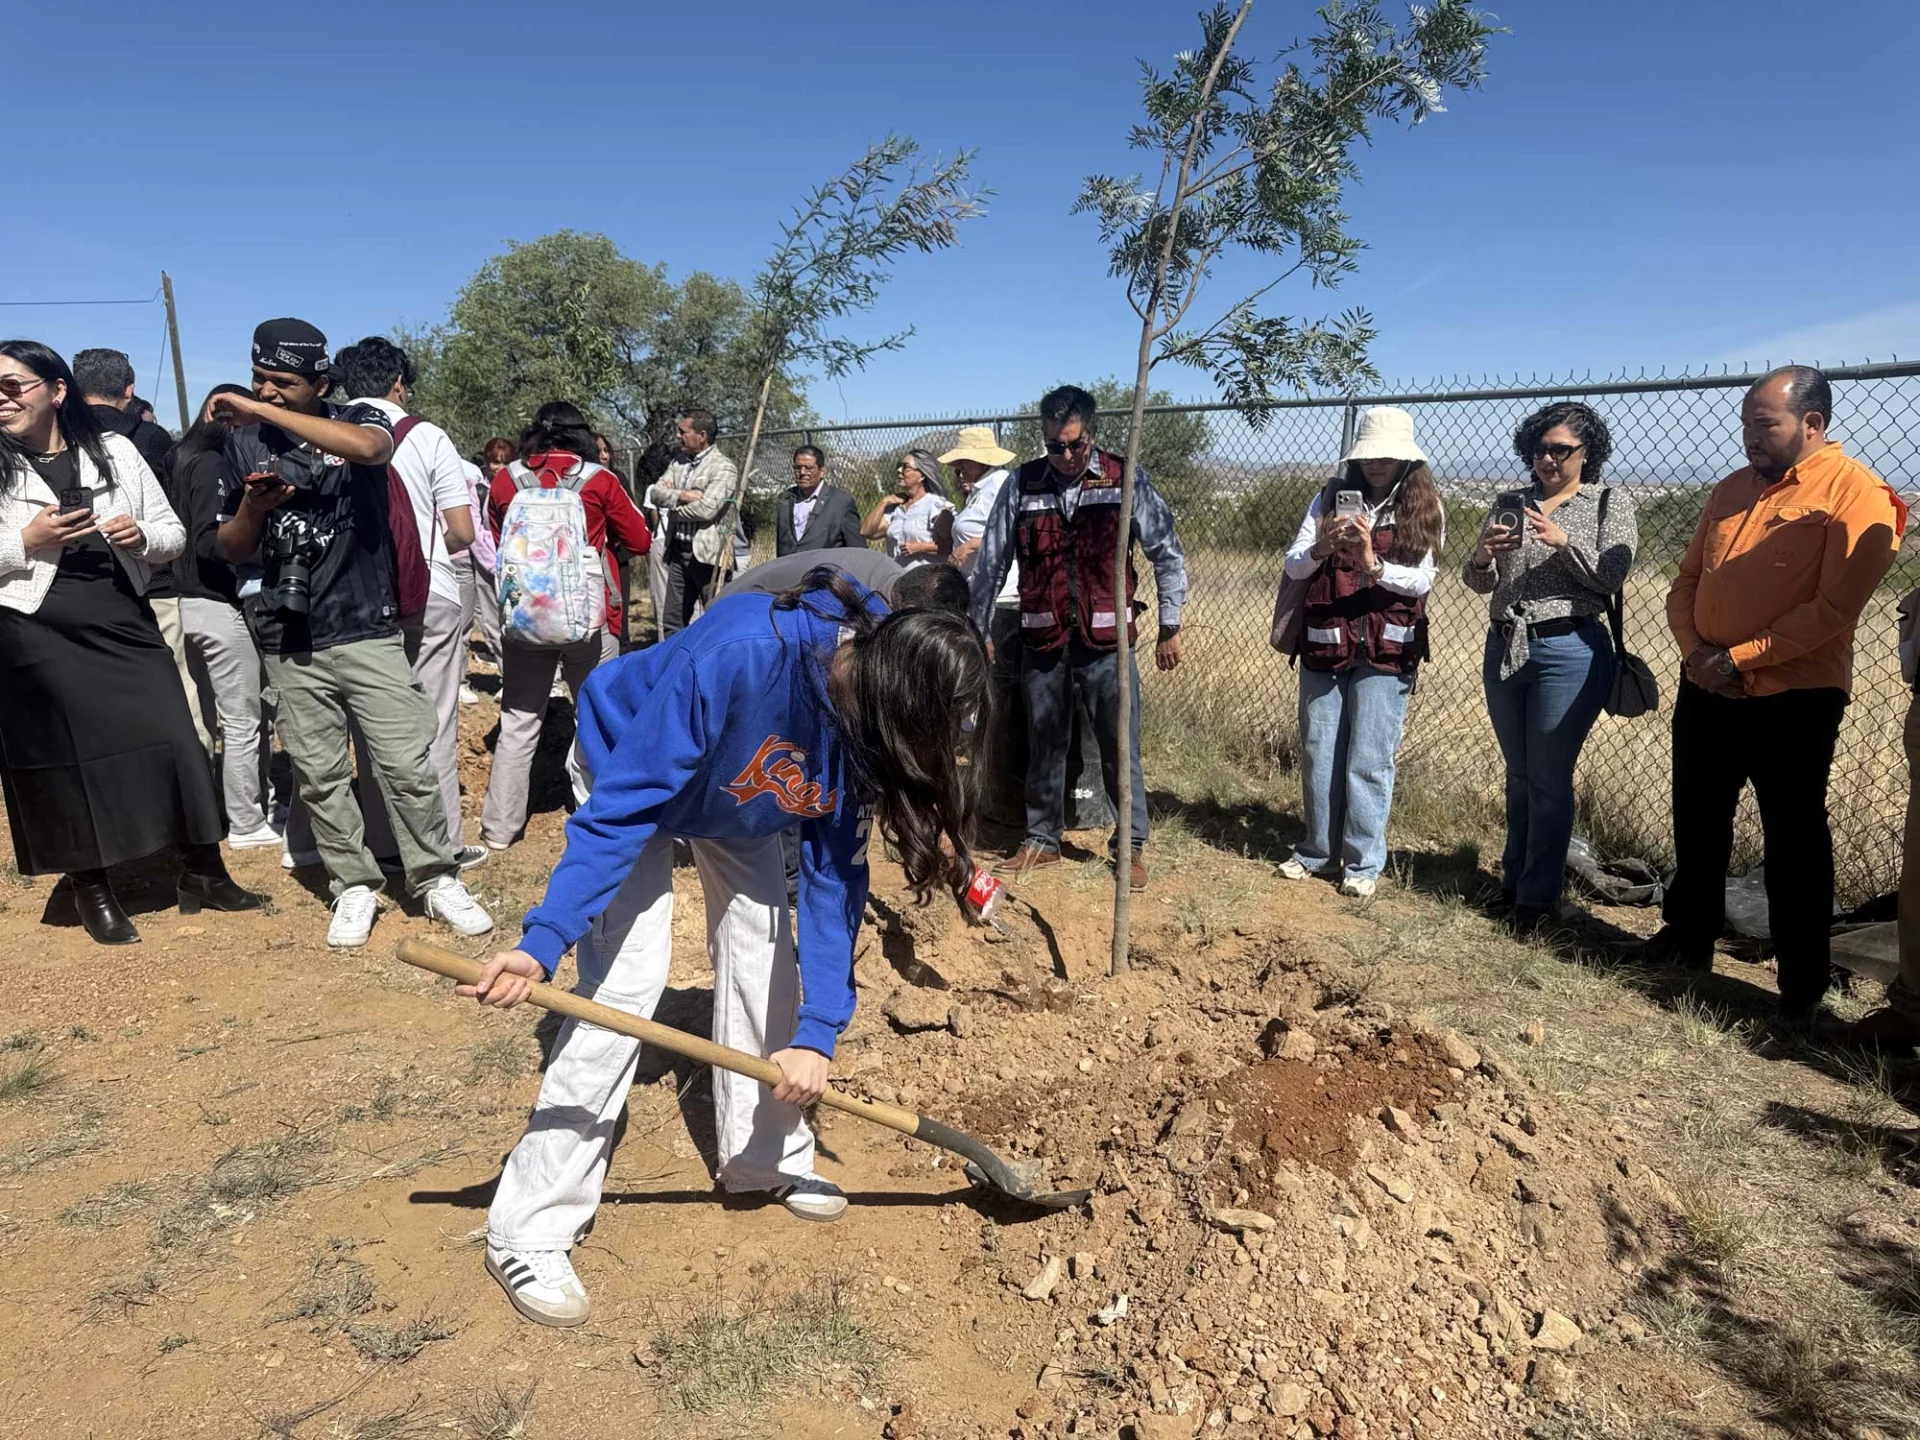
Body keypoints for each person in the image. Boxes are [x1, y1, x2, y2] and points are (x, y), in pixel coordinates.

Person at [457, 570, 988, 1326]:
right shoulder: (741, 653)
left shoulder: (868, 727)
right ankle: (529, 1226)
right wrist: (544, 943)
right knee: (624, 985)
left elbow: (835, 880)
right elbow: (618, 814)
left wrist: (819, 1034)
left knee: (767, 949)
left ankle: (763, 1159)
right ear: (882, 693)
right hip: (629, 771)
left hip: (742, 798)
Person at [212, 318, 493, 949]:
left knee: (406, 762)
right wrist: (256, 506)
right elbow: (230, 546)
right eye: (260, 378)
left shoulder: (359, 422)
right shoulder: (242, 444)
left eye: (283, 382)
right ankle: (353, 884)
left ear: (322, 382)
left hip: (366, 624)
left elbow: (372, 451)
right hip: (290, 633)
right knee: (318, 773)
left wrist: (258, 407)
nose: (269, 391)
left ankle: (435, 876)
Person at [1642, 366, 1904, 1022]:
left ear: (1812, 424)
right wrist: (1696, 654)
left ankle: (1801, 986)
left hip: (1794, 695)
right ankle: (1687, 939)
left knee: (1794, 839)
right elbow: (1688, 579)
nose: (1748, 438)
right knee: (1698, 818)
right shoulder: (1731, 489)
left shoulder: (1859, 495)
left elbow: (1834, 610)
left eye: (1765, 425)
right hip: (1706, 684)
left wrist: (1736, 657)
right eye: (1745, 425)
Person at [0, 341, 261, 944]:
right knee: (68, 756)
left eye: (14, 386)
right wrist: (28, 537)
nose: (3, 400)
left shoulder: (114, 450)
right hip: (33, 625)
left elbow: (172, 533)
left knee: (174, 735)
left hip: (121, 617)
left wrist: (140, 535)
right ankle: (91, 884)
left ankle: (202, 869)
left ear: (56, 391)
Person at [970, 384, 1189, 892]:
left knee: (1120, 744)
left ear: (1092, 433)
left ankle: (1129, 846)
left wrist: (1170, 625)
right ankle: (1042, 840)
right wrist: (978, 628)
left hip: (1107, 645)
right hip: (1042, 638)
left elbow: (1167, 552)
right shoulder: (1022, 485)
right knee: (1044, 739)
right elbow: (990, 564)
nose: (1066, 456)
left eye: (1075, 444)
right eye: (1054, 446)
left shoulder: (1124, 477)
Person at [1462, 402, 1637, 928]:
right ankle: (1513, 883)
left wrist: (1563, 544)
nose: (1547, 459)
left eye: (1560, 450)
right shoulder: (1509, 502)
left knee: (1548, 777)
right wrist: (1481, 557)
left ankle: (1538, 899)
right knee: (1518, 774)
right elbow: (1478, 585)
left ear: (1587, 453)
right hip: (1505, 645)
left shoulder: (1609, 501)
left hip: (1569, 650)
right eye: (1540, 448)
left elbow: (1611, 577)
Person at [1277, 407, 1445, 900]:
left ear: (1405, 459)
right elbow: (1293, 565)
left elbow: (1422, 580)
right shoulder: (1329, 498)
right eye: (1369, 455)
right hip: (1326, 644)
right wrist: (1321, 548)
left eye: (1386, 456)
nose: (1375, 464)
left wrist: (1374, 563)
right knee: (1318, 752)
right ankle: (1315, 851)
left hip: (1388, 649)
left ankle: (1362, 861)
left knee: (1369, 758)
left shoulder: (1425, 506)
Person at [332, 338, 482, 866]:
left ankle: (382, 842)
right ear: (398, 381)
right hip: (429, 592)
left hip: (353, 600)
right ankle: (441, 845)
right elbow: (461, 530)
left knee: (370, 723)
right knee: (434, 720)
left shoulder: (328, 435)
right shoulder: (426, 435)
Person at [479, 401, 652, 851]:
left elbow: (495, 535)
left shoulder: (506, 479)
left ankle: (500, 828)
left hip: (524, 618)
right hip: (590, 620)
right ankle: (604, 818)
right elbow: (639, 539)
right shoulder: (599, 481)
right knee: (598, 715)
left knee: (518, 719)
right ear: (583, 436)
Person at [74, 347, 208, 752]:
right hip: (161, 586)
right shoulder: (151, 439)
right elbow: (176, 518)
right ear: (129, 390)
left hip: (85, 595)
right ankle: (200, 789)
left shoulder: (59, 441)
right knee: (180, 694)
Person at [171, 384, 279, 850]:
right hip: (216, 602)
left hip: (188, 602)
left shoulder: (181, 457)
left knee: (217, 719)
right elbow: (207, 540)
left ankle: (231, 807)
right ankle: (247, 822)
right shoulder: (215, 464)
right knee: (243, 719)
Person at [941, 427, 1023, 820]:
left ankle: (997, 783)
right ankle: (985, 778)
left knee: (991, 688)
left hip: (1003, 599)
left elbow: (1007, 530)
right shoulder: (978, 489)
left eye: (964, 460)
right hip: (979, 598)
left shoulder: (1000, 485)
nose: (958, 468)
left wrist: (973, 545)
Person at [645, 409, 737, 635]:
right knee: (673, 622)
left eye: (683, 431)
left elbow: (707, 509)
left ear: (702, 435)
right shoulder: (678, 463)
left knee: (717, 620)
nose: (678, 436)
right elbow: (655, 493)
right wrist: (684, 495)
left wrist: (673, 510)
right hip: (678, 553)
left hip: (708, 557)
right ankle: (676, 667)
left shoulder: (723, 467)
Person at [862, 450, 952, 569]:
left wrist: (921, 547)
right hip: (898, 579)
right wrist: (884, 502)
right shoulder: (896, 508)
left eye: (906, 467)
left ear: (922, 475)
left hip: (927, 580)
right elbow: (867, 532)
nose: (899, 470)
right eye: (899, 466)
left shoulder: (936, 506)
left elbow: (951, 546)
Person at [775, 445, 864, 555]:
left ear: (822, 471)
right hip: (790, 570)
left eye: (809, 468)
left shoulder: (841, 502)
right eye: (798, 467)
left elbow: (858, 550)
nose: (802, 472)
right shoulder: (785, 499)